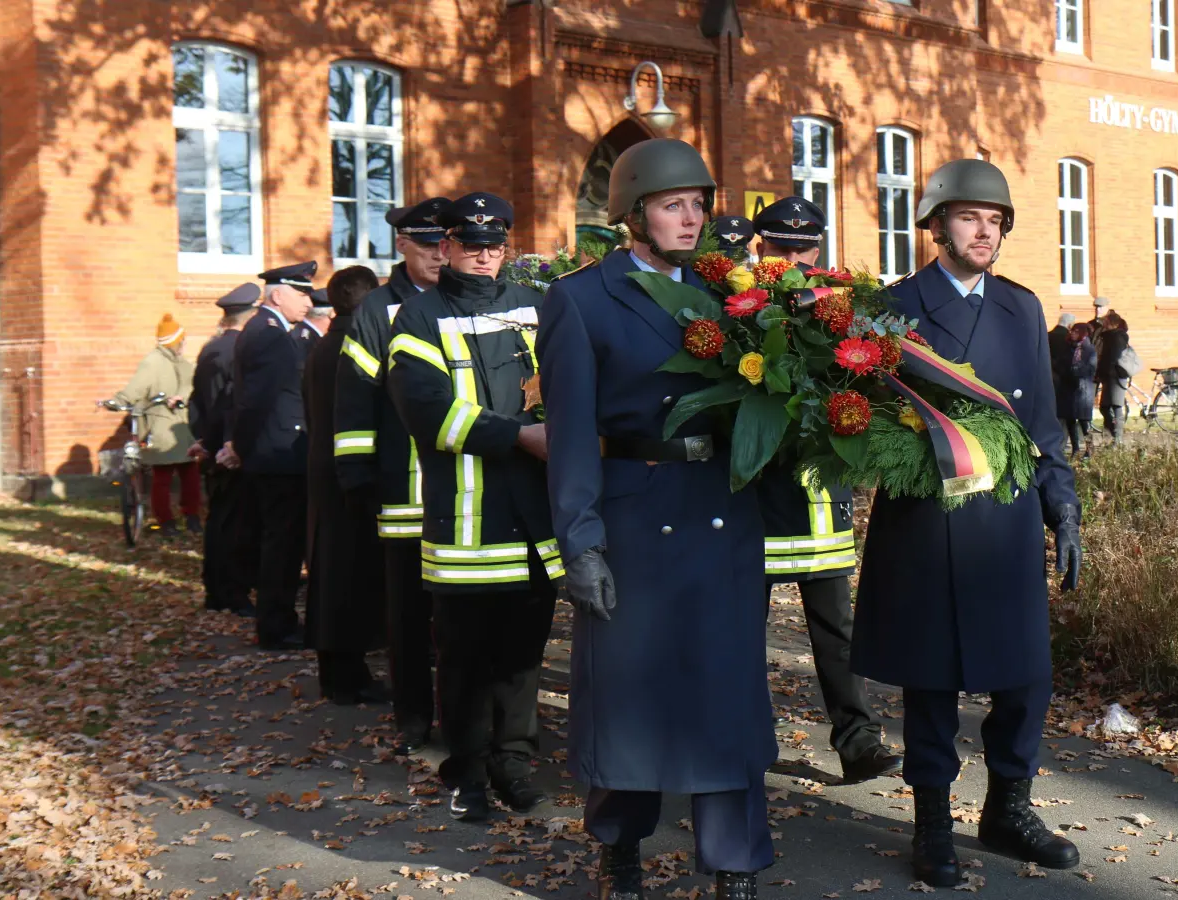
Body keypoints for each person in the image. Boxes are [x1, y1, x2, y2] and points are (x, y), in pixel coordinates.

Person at [540, 139, 776, 900]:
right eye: (674, 204)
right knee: (628, 693)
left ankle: (734, 861)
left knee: (726, 689)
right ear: (633, 214)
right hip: (635, 520)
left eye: (698, 203)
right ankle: (619, 849)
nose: (692, 217)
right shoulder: (580, 298)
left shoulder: (725, 296)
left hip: (719, 514)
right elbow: (571, 436)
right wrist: (580, 543)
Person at [851, 159, 1083, 886]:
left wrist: (1064, 507)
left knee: (1025, 678)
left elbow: (1042, 425)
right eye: (968, 218)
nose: (984, 232)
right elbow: (860, 425)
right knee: (932, 679)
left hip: (1006, 519)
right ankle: (932, 825)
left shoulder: (1021, 308)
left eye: (995, 221)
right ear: (935, 225)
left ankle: (1007, 810)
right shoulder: (891, 309)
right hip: (928, 519)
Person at [386, 192, 560, 819]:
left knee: (522, 656)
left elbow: (569, 384)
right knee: (462, 658)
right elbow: (427, 410)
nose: (485, 255)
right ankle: (467, 770)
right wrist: (519, 434)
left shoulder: (537, 307)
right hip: (466, 520)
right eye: (472, 244)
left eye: (496, 245)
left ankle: (514, 763)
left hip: (536, 516)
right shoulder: (417, 317)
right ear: (448, 246)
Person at [750, 195, 902, 784]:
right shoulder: (735, 304)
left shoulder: (845, 304)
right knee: (742, 630)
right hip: (750, 491)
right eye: (782, 249)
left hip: (816, 491)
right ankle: (749, 738)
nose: (794, 260)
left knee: (837, 630)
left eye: (803, 247)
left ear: (818, 246)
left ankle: (858, 741)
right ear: (762, 247)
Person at [335, 198, 450, 755]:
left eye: (445, 243)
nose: (439, 254)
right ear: (403, 245)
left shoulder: (466, 299)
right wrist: (357, 478)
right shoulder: (379, 310)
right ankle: (412, 713)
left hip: (467, 492)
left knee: (461, 617)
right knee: (407, 615)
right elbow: (355, 399)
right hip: (405, 491)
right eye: (428, 245)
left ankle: (463, 713)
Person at [304, 266, 387, 704]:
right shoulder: (352, 345)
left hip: (326, 471)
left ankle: (342, 671)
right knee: (345, 578)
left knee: (334, 575)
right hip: (345, 475)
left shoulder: (326, 342)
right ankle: (344, 676)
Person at [231, 261, 317, 651]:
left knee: (280, 543)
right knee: (282, 546)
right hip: (279, 455)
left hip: (273, 451)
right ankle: (277, 625)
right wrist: (243, 448)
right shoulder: (270, 336)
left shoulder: (268, 331)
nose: (308, 301)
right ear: (278, 295)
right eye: (302, 294)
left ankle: (277, 621)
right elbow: (256, 402)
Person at [189, 284, 260, 614]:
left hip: (212, 445)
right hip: (229, 449)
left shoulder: (211, 348)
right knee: (233, 523)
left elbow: (196, 402)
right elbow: (234, 403)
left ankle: (217, 590)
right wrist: (232, 444)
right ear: (250, 316)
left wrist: (201, 438)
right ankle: (231, 591)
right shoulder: (237, 351)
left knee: (220, 519)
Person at [111, 313, 198, 535]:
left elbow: (190, 386)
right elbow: (136, 388)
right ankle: (174, 520)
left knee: (182, 475)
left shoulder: (181, 362)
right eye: (183, 340)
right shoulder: (154, 362)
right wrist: (120, 400)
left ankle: (181, 519)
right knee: (169, 476)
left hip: (179, 426)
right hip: (164, 425)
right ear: (176, 341)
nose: (185, 344)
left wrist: (181, 396)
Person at [1060, 322, 1098, 460]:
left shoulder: (1089, 349)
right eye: (1071, 331)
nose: (1072, 333)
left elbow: (1091, 369)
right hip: (1069, 389)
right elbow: (1061, 364)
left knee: (1084, 422)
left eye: (1076, 331)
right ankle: (1075, 448)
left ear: (1082, 333)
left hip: (1083, 391)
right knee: (1070, 420)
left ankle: (1089, 449)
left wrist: (1075, 370)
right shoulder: (1067, 348)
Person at [1095, 311, 1130, 444]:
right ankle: (1113, 432)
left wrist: (1106, 371)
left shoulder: (1117, 337)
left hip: (1116, 376)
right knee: (1104, 407)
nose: (1103, 324)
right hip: (1108, 376)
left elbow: (1113, 358)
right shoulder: (1108, 336)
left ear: (1110, 323)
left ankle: (1118, 439)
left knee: (1116, 406)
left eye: (1105, 322)